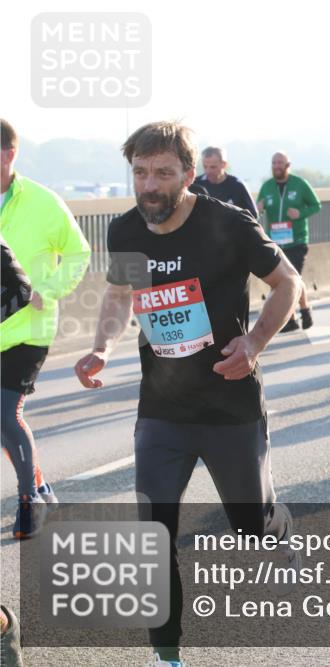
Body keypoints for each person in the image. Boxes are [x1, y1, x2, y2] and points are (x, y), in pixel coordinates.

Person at [73, 121, 301, 667]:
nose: (149, 185)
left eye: (163, 173)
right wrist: (103, 346)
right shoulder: (126, 230)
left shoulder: (227, 223)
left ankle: (276, 523)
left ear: (188, 175)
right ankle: (166, 654)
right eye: (140, 173)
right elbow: (121, 293)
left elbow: (288, 282)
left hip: (229, 405)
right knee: (151, 533)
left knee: (252, 528)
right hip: (162, 410)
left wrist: (253, 344)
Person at [1, 119, 91, 538]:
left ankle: (29, 503)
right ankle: (41, 488)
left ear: (8, 154)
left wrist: (48, 289)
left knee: (7, 410)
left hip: (30, 328)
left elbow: (78, 253)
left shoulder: (42, 201)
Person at [257, 151, 322, 331]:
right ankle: (293, 319)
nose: (277, 166)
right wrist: (258, 209)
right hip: (275, 243)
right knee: (280, 281)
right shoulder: (267, 187)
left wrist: (300, 213)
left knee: (293, 278)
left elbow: (316, 205)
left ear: (288, 165)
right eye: (274, 163)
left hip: (297, 240)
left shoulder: (300, 184)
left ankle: (304, 310)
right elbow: (258, 210)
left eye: (280, 163)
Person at [191, 146, 256, 217]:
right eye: (205, 167)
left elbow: (253, 215)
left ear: (224, 165)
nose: (208, 171)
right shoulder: (195, 184)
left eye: (213, 167)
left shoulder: (237, 185)